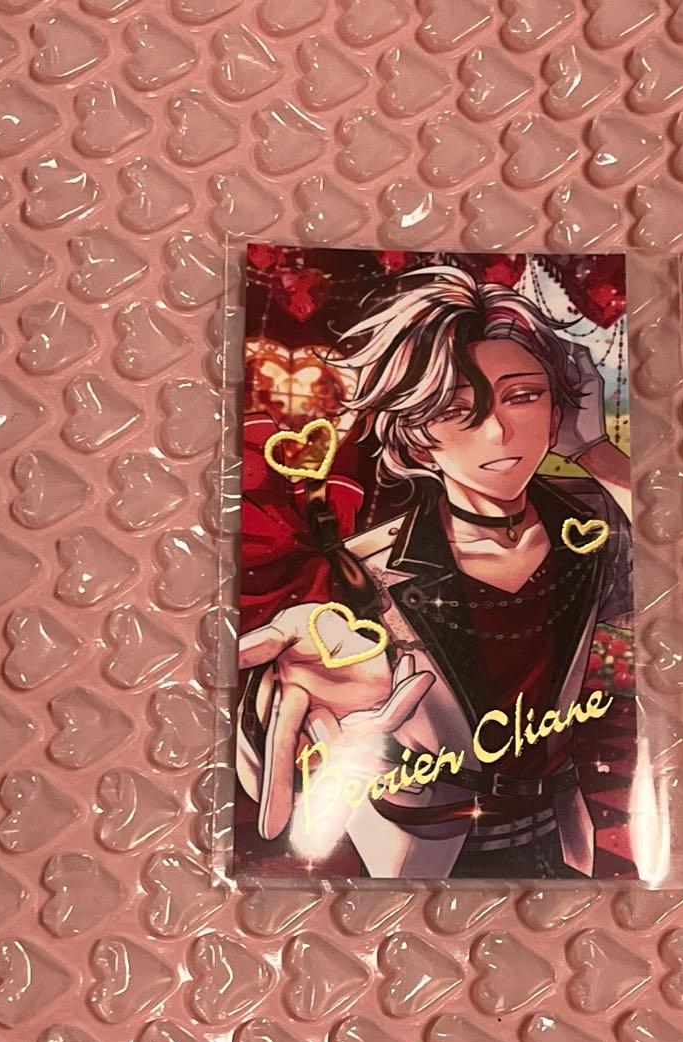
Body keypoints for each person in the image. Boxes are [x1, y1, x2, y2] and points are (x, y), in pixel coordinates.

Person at [237, 265, 632, 878]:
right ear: (416, 435)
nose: (498, 431)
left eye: (523, 397)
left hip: (558, 835)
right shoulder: (363, 569)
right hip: (418, 848)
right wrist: (270, 697)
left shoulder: (594, 527)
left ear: (559, 408)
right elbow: (285, 725)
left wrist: (592, 450)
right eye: (456, 410)